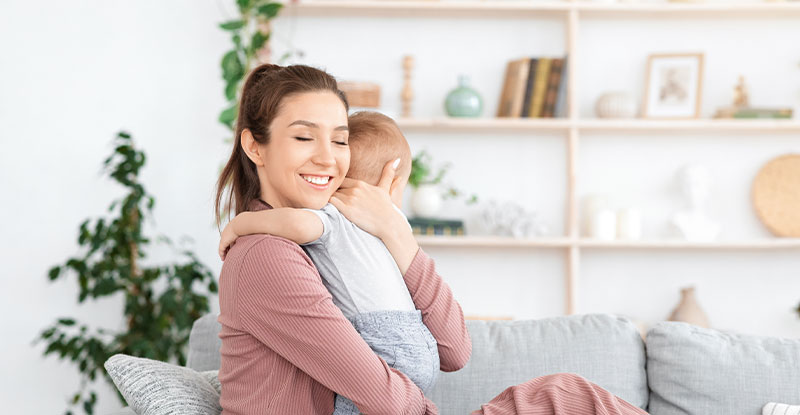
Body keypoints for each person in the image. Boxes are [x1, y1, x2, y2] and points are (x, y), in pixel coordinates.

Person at [214, 62, 648, 415]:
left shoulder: (342, 243)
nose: (328, 157)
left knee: (564, 396)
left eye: (340, 139)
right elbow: (383, 397)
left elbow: (454, 349)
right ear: (255, 147)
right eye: (304, 136)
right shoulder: (265, 254)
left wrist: (395, 231)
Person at [217, 111, 441, 414]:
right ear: (396, 180)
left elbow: (297, 225)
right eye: (305, 137)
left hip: (384, 343)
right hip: (421, 341)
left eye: (338, 141)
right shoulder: (395, 225)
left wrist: (241, 223)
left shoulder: (335, 217)